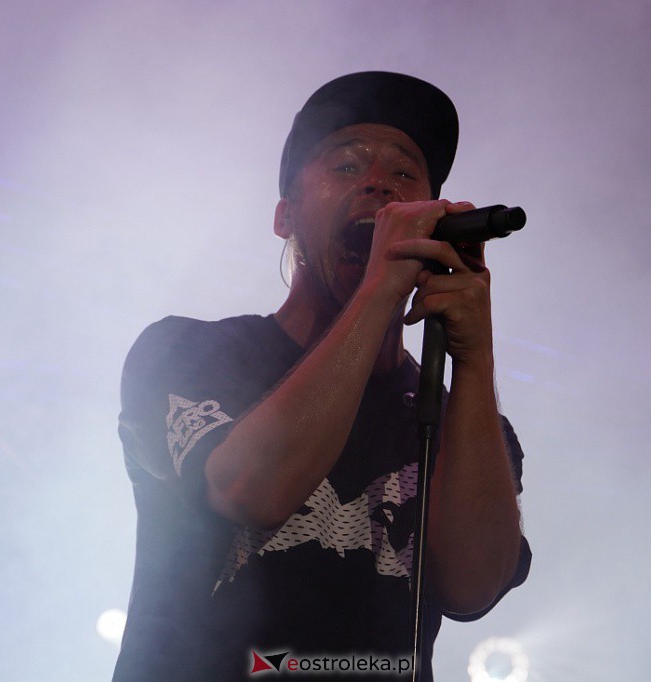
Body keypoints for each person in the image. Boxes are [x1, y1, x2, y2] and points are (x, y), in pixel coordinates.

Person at [112, 71, 531, 681]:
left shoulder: (466, 423)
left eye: (405, 173)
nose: (379, 184)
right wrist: (379, 290)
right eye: (347, 165)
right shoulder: (190, 351)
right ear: (285, 216)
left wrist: (474, 358)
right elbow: (250, 491)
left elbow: (472, 588)